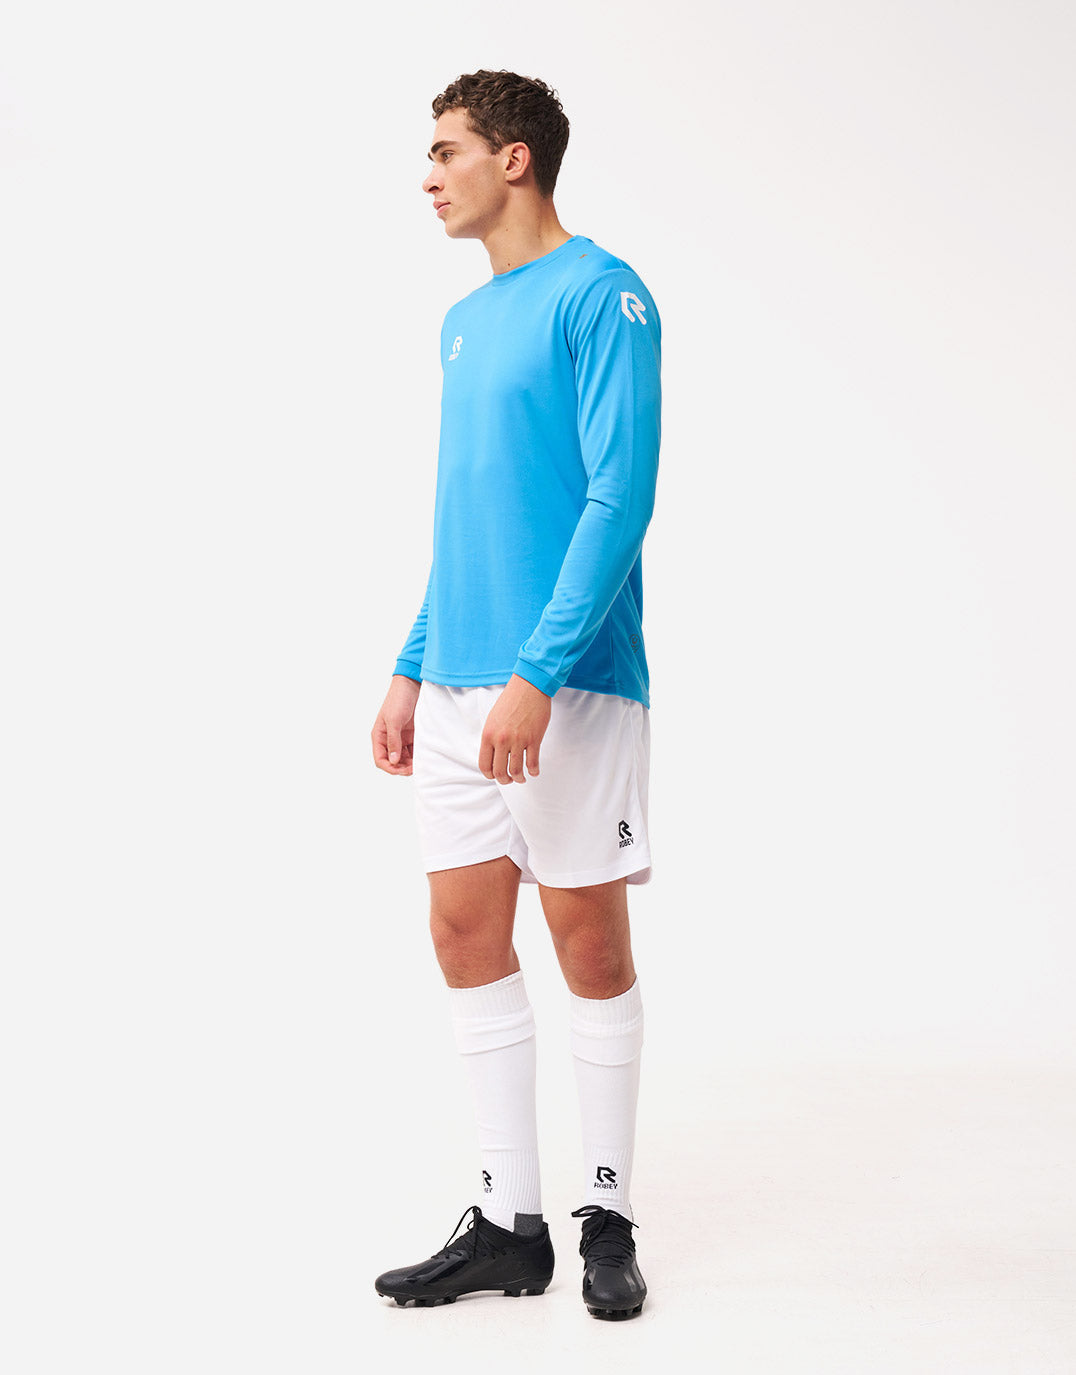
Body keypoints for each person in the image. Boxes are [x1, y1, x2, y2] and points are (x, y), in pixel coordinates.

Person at [370, 69, 661, 1321]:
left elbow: (616, 496)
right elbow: (468, 514)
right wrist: (412, 660)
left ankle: (606, 1213)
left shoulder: (603, 294)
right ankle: (506, 1222)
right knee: (461, 934)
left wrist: (536, 674)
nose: (428, 175)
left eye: (446, 150)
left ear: (515, 159)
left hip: (568, 684)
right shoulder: (463, 319)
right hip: (454, 682)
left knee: (585, 939)